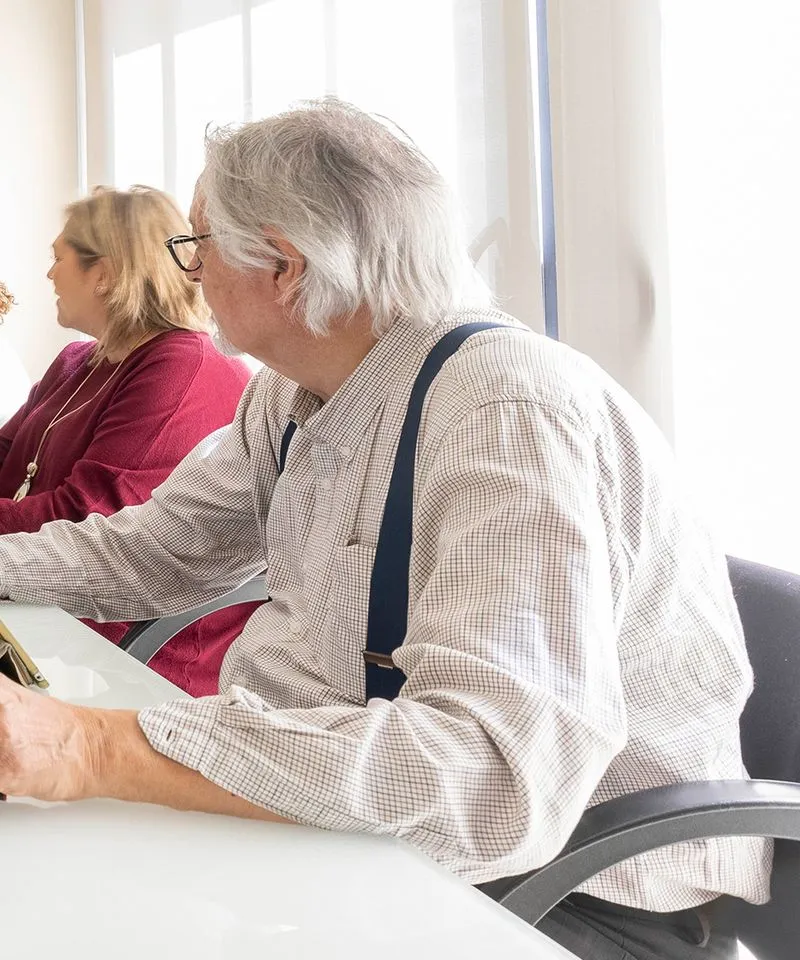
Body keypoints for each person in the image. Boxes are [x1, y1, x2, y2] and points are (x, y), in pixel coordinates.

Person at [0, 100, 770, 959]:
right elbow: (153, 550)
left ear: (284, 267)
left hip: (562, 895)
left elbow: (488, 777)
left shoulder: (506, 409)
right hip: (370, 831)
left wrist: (90, 744)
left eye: (199, 243)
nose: (190, 271)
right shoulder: (294, 393)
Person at [0, 187, 256, 694]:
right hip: (40, 605)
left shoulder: (183, 365)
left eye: (59, 258)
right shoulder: (79, 359)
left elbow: (87, 516)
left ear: (108, 271)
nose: (49, 274)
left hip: (123, 657)